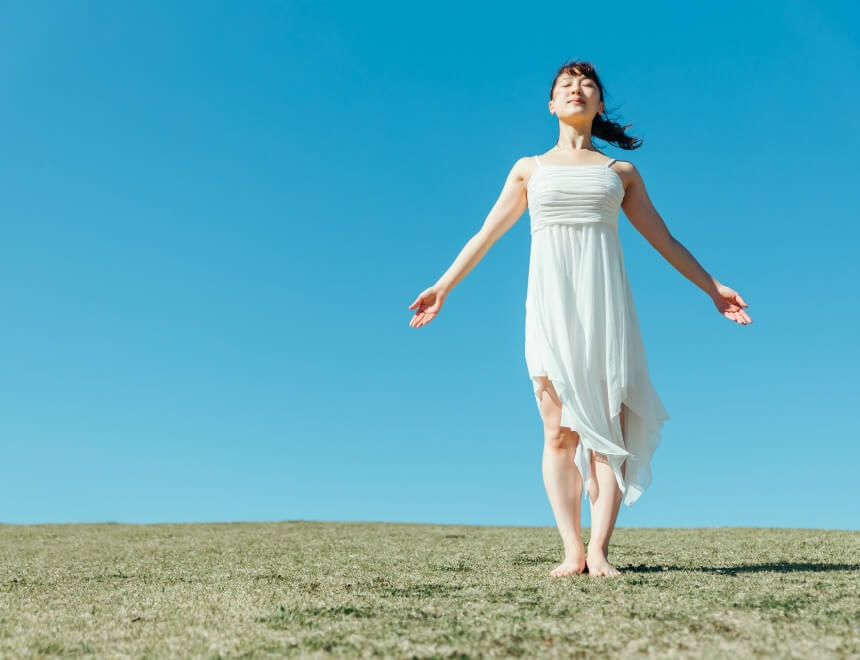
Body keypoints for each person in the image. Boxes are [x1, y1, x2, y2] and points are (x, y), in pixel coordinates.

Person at [407, 60, 752, 578]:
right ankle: (571, 551)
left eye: (587, 84)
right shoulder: (530, 169)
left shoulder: (620, 174)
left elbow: (664, 239)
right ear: (552, 104)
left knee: (605, 430)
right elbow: (485, 234)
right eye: (566, 85)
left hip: (604, 308)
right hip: (550, 307)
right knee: (557, 433)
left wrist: (712, 287)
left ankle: (599, 552)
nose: (576, 89)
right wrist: (443, 286)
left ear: (599, 105)